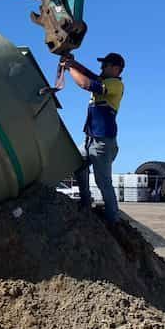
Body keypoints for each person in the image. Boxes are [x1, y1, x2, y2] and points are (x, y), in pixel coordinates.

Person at [62, 52, 126, 223]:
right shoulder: (105, 80)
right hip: (90, 139)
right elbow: (90, 75)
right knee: (78, 164)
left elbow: (85, 83)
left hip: (102, 142)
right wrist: (73, 63)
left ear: (116, 69)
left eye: (105, 65)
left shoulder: (115, 85)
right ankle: (85, 203)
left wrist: (69, 68)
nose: (101, 68)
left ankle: (113, 220)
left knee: (103, 182)